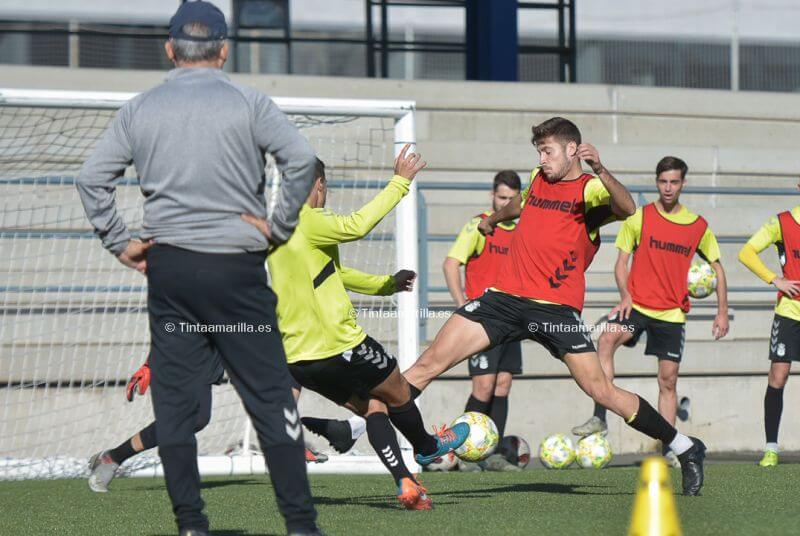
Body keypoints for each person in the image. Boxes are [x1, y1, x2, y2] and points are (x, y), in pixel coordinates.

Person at [75, 2, 320, 534]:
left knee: (179, 405)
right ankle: (301, 525)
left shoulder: (140, 108)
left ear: (170, 49)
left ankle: (191, 524)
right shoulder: (250, 102)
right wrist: (278, 227)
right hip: (236, 272)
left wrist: (120, 243)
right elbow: (301, 161)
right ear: (224, 49)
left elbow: (90, 179)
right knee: (271, 397)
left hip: (173, 273)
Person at [401, 117, 708, 496]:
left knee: (602, 391)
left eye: (547, 151)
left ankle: (686, 447)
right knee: (428, 363)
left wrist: (601, 168)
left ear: (572, 150)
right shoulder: (537, 177)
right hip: (503, 301)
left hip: (555, 312)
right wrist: (494, 219)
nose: (542, 158)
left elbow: (628, 208)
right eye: (539, 151)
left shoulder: (590, 190)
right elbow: (521, 202)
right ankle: (371, 430)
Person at [243, 150, 468, 510]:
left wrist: (385, 285)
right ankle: (427, 447)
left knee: (374, 407)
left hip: (299, 359)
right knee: (398, 391)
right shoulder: (309, 219)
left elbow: (333, 273)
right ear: (319, 184)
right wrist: (400, 183)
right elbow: (356, 225)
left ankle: (406, 484)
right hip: (339, 344)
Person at [571, 156, 729, 468]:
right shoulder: (639, 217)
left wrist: (721, 312)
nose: (668, 187)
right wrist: (625, 294)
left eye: (674, 182)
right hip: (638, 305)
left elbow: (718, 270)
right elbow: (620, 263)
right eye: (663, 181)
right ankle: (600, 416)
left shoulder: (698, 226)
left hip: (671, 314)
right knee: (605, 339)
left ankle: (669, 448)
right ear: (656, 182)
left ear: (682, 183)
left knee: (668, 381)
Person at [443, 170, 522, 471]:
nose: (505, 203)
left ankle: (495, 455)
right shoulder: (479, 225)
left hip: (513, 320)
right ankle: (462, 453)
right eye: (501, 197)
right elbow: (451, 264)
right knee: (483, 387)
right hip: (484, 320)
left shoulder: (522, 229)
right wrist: (462, 305)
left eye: (511, 199)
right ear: (492, 196)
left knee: (503, 385)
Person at [738, 180, 800, 467]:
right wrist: (775, 279)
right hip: (790, 312)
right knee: (778, 377)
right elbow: (746, 252)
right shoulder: (782, 222)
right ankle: (772, 449)